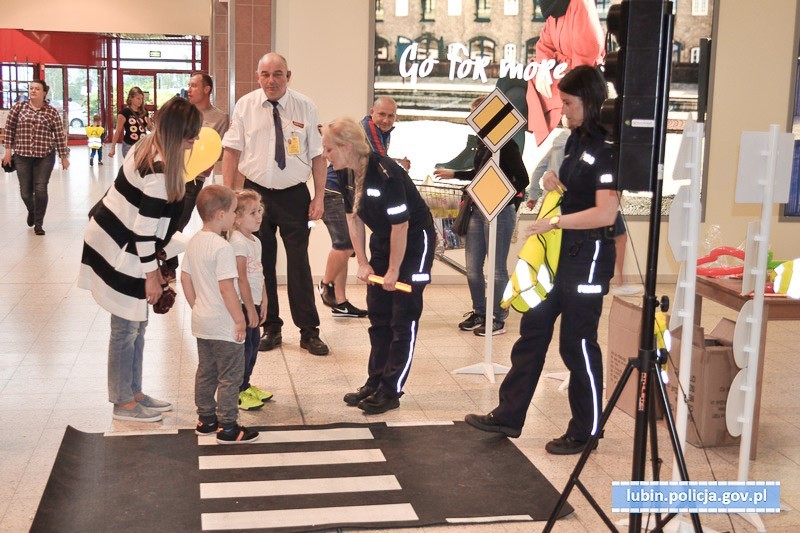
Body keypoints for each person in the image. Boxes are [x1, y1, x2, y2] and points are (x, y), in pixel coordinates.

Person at [465, 66, 619, 455]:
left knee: (577, 344)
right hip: (559, 255)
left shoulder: (607, 150)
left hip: (588, 257)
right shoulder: (576, 142)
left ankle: (586, 430)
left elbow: (605, 214)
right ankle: (508, 414)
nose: (563, 109)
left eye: (569, 102)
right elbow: (572, 190)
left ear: (590, 100)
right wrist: (553, 183)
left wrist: (555, 221)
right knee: (532, 328)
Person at [78, 97, 201, 422]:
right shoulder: (158, 171)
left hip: (117, 241)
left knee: (137, 324)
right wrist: (152, 276)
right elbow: (144, 232)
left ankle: (134, 392)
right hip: (119, 249)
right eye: (191, 136)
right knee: (126, 327)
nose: (195, 141)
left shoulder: (149, 145)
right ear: (177, 136)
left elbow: (150, 228)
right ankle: (123, 403)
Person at [323, 117, 435, 414]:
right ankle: (374, 382)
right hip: (385, 239)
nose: (325, 156)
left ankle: (391, 389)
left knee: (403, 318)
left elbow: (402, 227)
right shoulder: (346, 173)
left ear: (346, 147)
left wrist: (394, 271)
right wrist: (362, 262)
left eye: (329, 149)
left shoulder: (386, 173)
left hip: (414, 240)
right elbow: (353, 219)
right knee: (379, 315)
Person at [222, 52, 329, 356]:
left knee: (298, 265)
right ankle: (272, 327)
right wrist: (232, 197)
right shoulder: (245, 105)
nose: (271, 80)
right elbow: (231, 151)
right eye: (265, 74)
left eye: (278, 74)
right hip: (256, 195)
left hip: (295, 195)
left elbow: (318, 156)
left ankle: (309, 332)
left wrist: (318, 196)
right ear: (258, 77)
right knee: (261, 263)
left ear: (288, 75)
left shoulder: (305, 106)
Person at [435, 96, 529, 337]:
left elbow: (522, 179)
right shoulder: (484, 144)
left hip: (499, 211)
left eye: (480, 115)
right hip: (477, 210)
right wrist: (455, 173)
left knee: (496, 267)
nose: (475, 122)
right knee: (473, 267)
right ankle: (480, 311)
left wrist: (501, 196)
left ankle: (497, 316)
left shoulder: (506, 145)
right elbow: (480, 175)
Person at [181, 185, 259, 444]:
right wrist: (239, 319)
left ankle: (205, 420)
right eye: (234, 212)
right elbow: (227, 288)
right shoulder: (222, 247)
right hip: (224, 325)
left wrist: (197, 306)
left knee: (206, 371)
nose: (235, 217)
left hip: (202, 321)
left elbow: (185, 278)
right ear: (221, 215)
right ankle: (227, 426)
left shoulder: (194, 241)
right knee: (230, 376)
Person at [318, 96, 407, 318]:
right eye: (382, 114)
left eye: (391, 115)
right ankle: (324, 284)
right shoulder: (368, 129)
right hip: (335, 191)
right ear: (371, 113)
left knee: (346, 244)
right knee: (346, 244)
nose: (386, 120)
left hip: (348, 190)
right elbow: (379, 161)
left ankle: (340, 301)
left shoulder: (383, 132)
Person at [526, 0, 604, 146]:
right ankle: (492, 149)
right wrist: (543, 63)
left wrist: (569, 99)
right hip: (557, 74)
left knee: (513, 97)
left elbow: (587, 53)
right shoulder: (554, 8)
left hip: (575, 79)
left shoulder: (579, 3)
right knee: (509, 87)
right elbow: (545, 43)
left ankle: (496, 153)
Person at [2, 79, 70, 236]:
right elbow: (9, 129)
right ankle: (32, 210)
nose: (33, 91)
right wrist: (7, 151)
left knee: (40, 189)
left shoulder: (51, 112)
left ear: (44, 92)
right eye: (31, 88)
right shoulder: (18, 108)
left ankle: (39, 223)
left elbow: (59, 135)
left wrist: (63, 157)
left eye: (37, 89)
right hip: (22, 155)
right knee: (26, 192)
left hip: (44, 155)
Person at [230, 189, 273, 410]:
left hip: (254, 302)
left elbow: (260, 273)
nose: (259, 216)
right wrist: (250, 308)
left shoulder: (255, 241)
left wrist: (264, 300)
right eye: (252, 213)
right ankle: (237, 390)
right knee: (244, 348)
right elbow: (242, 279)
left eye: (260, 211)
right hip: (242, 303)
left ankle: (246, 384)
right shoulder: (237, 242)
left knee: (254, 345)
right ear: (237, 218)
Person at [180, 73, 230, 231]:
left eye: (194, 86)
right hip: (171, 175)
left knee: (179, 223)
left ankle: (166, 253)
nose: (189, 90)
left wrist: (208, 162)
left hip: (194, 180)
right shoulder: (182, 113)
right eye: (189, 85)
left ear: (207, 89)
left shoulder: (220, 118)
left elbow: (220, 151)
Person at [108, 86, 151, 160]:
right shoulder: (125, 112)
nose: (140, 101)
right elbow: (118, 131)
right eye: (138, 98)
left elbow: (150, 127)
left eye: (141, 98)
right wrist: (113, 148)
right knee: (132, 165)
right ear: (131, 98)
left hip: (143, 145)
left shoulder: (144, 111)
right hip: (129, 145)